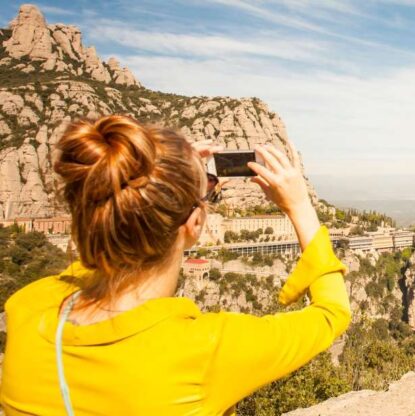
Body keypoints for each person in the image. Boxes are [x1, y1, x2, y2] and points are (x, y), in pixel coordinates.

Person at [0, 115, 352, 414]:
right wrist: (300, 207)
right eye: (208, 195)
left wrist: (165, 178)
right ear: (194, 223)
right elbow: (331, 313)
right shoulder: (207, 349)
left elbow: (95, 259)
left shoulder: (28, 307)